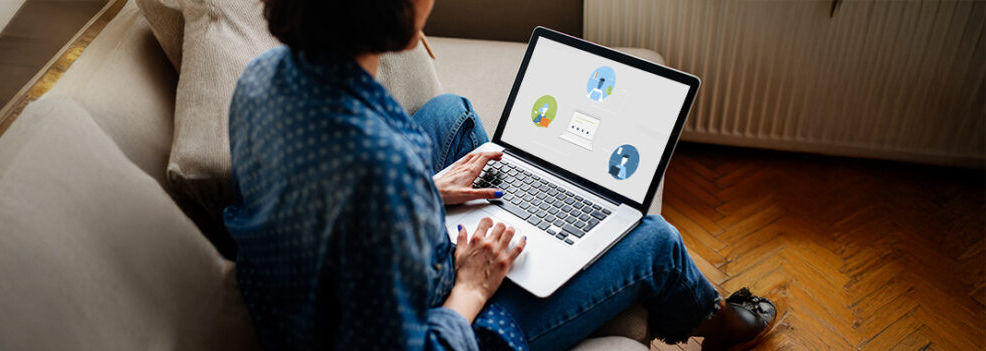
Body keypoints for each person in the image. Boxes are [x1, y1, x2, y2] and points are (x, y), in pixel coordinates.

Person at [223, 0, 778, 350]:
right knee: (656, 240)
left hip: (309, 286)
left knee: (451, 113)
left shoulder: (262, 77)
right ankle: (711, 322)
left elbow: (316, 202)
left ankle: (533, 211)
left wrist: (424, 194)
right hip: (434, 317)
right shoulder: (381, 169)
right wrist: (469, 286)